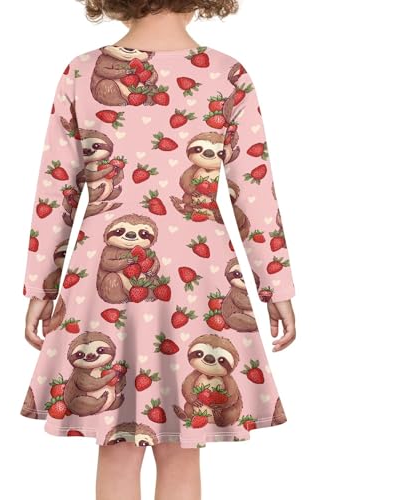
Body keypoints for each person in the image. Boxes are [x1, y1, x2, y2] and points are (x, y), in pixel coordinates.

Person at [20, 2, 297, 499]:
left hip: (97, 280)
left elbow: (55, 189)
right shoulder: (226, 74)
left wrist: (41, 286)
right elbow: (253, 192)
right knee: (183, 447)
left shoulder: (81, 70)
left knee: (117, 446)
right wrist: (275, 286)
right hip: (199, 275)